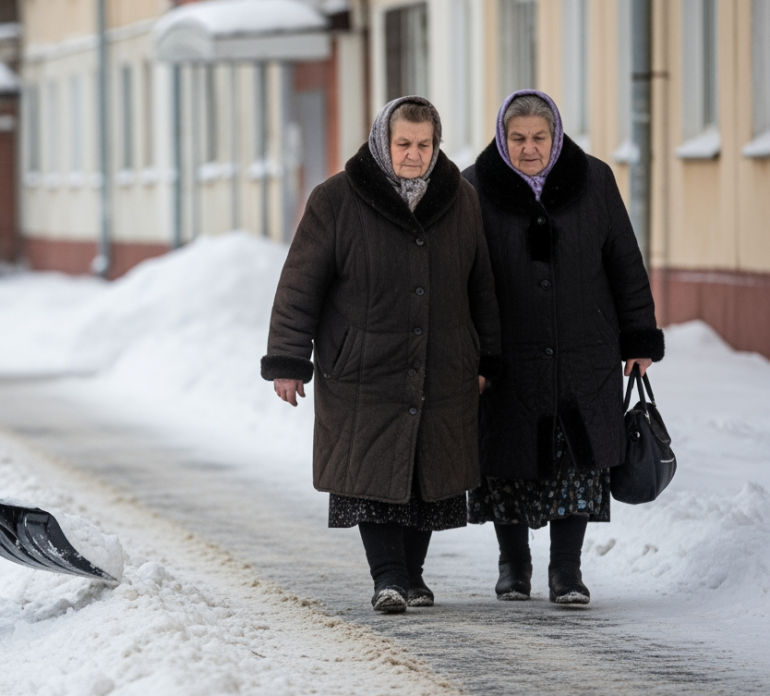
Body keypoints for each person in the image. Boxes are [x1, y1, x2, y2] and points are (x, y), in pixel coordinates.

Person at [262, 96, 502, 613]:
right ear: (381, 142)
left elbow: (482, 285)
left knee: (428, 476)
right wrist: (286, 361)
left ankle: (412, 576)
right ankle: (388, 578)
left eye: (424, 144)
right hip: (362, 367)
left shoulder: (460, 198)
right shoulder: (336, 200)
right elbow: (299, 284)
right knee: (372, 471)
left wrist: (487, 359)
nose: (414, 155)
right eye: (403, 144)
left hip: (442, 363)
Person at [462, 90, 664, 605]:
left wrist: (638, 336)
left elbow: (624, 259)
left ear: (556, 136)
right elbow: (460, 274)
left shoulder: (594, 180)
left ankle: (567, 572)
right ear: (502, 139)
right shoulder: (473, 186)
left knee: (578, 460)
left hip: (584, 348)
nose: (529, 148)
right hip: (506, 353)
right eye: (518, 138)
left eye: (539, 137)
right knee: (505, 458)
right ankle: (513, 565)